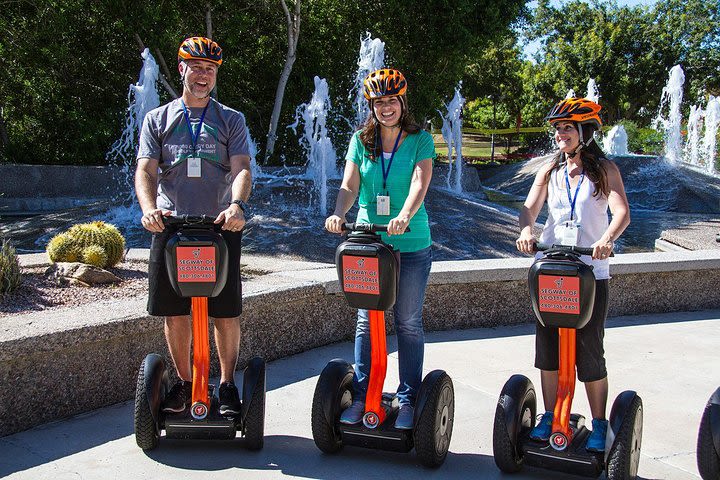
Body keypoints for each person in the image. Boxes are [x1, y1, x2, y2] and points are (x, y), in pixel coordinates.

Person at [134, 36, 252, 416]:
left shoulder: (230, 119)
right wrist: (149, 209)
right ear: (182, 69)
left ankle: (228, 384)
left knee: (226, 311)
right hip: (171, 226)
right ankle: (185, 384)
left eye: (210, 70)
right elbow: (145, 170)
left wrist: (237, 205)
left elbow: (242, 168)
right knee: (175, 311)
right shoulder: (158, 119)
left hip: (220, 226)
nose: (203, 76)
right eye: (197, 67)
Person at [516, 97, 630, 452]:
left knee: (590, 352)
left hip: (590, 272)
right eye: (558, 128)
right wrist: (525, 231)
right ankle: (550, 416)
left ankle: (598, 424)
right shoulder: (549, 171)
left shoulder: (605, 170)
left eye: (567, 128)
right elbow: (529, 208)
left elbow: (621, 212)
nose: (560, 134)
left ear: (585, 131)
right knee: (547, 351)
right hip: (552, 268)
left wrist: (607, 239)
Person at [325, 68, 435, 430]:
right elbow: (349, 184)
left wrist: (404, 214)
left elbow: (420, 182)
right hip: (369, 242)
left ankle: (407, 399)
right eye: (378, 102)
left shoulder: (420, 139)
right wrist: (339, 212)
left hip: (411, 241)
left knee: (407, 322)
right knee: (364, 321)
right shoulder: (361, 139)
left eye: (392, 101)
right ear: (370, 105)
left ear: (402, 103)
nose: (385, 108)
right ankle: (362, 396)